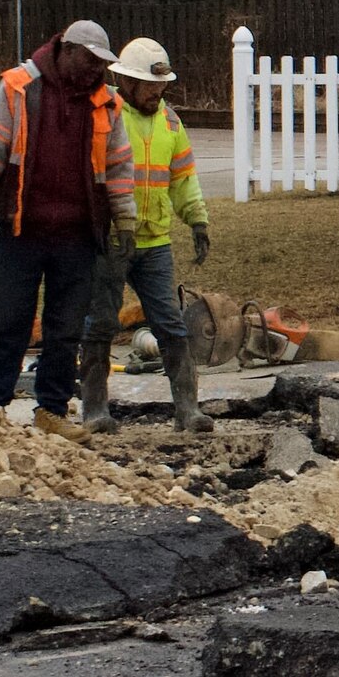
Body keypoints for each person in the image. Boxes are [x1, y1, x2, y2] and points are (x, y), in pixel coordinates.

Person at [0, 18, 129, 429]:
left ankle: (51, 411)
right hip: (23, 231)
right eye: (90, 61)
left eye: (101, 64)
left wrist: (125, 218)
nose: (96, 71)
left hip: (76, 236)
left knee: (65, 329)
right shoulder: (20, 87)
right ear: (67, 50)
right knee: (7, 322)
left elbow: (118, 165)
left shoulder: (106, 101)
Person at [103, 35, 214, 427]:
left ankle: (187, 409)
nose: (157, 93)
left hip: (154, 243)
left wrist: (197, 220)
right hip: (110, 239)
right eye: (150, 86)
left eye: (161, 87)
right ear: (127, 83)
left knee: (169, 324)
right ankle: (94, 409)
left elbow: (183, 176)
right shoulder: (107, 114)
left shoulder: (170, 120)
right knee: (100, 323)